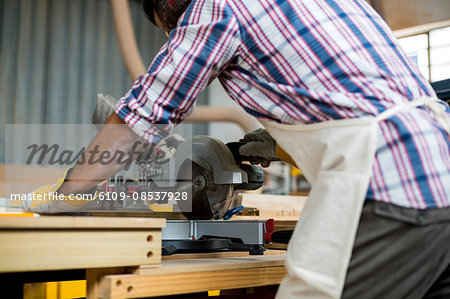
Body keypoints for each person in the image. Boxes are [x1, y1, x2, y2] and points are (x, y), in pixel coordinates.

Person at [20, 0, 450, 297]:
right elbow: (353, 101)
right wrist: (276, 142)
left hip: (389, 183)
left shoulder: (216, 6)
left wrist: (68, 193)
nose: (175, 34)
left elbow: (143, 114)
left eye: (168, 27)